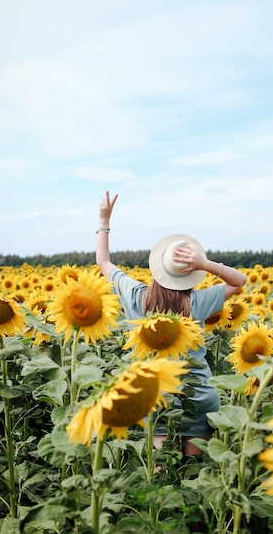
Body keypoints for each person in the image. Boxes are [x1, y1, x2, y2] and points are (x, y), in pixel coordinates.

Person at [96, 191, 247, 457]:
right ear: (192, 275)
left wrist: (104, 220)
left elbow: (103, 262)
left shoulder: (136, 297)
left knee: (160, 470)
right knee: (193, 477)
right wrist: (206, 264)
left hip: (156, 396)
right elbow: (238, 281)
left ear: (157, 270)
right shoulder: (198, 302)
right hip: (198, 396)